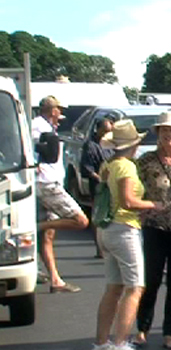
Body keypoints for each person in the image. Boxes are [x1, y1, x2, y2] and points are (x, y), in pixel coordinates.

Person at [93, 120, 163, 350]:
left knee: (113, 287)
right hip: (124, 228)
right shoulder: (126, 167)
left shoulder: (108, 165)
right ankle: (120, 342)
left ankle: (102, 342)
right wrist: (153, 204)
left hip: (107, 227)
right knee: (135, 288)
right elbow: (128, 201)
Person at [133, 111, 171, 349]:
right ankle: (142, 328)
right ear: (158, 133)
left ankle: (170, 333)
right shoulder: (147, 161)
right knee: (152, 279)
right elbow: (135, 189)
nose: (169, 135)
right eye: (165, 130)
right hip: (154, 227)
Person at [32, 96, 89, 293]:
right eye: (59, 110)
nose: (61, 116)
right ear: (52, 110)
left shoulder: (47, 127)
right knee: (80, 220)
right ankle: (36, 227)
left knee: (48, 236)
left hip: (50, 182)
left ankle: (56, 280)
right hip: (47, 184)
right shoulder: (38, 127)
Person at [81, 118, 114, 258]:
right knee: (98, 216)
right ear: (98, 130)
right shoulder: (91, 145)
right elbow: (86, 168)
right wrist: (100, 179)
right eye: (105, 131)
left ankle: (110, 246)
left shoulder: (111, 144)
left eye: (110, 131)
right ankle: (100, 249)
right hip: (99, 186)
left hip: (113, 184)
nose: (107, 134)